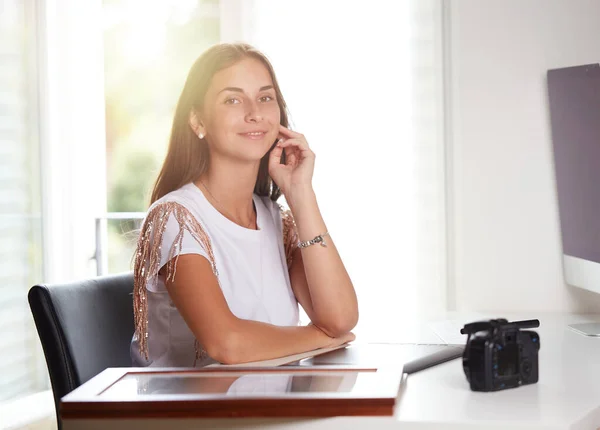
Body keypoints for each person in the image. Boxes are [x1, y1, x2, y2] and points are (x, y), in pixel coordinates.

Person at [131, 42, 358, 367]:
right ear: (198, 120)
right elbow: (227, 345)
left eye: (265, 98)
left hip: (266, 407)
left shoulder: (275, 219)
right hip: (190, 414)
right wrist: (320, 337)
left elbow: (340, 318)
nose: (254, 113)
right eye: (233, 99)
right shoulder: (175, 219)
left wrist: (301, 194)